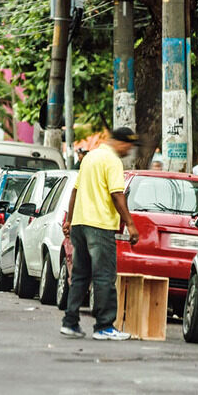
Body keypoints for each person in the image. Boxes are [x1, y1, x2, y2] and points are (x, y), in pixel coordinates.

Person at [61, 127, 140, 341]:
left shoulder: (90, 157)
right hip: (100, 225)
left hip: (80, 224)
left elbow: (75, 190)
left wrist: (69, 220)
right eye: (129, 146)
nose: (129, 151)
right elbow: (117, 194)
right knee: (104, 276)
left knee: (80, 275)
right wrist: (130, 225)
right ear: (121, 142)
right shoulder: (113, 161)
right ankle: (104, 326)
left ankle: (70, 323)